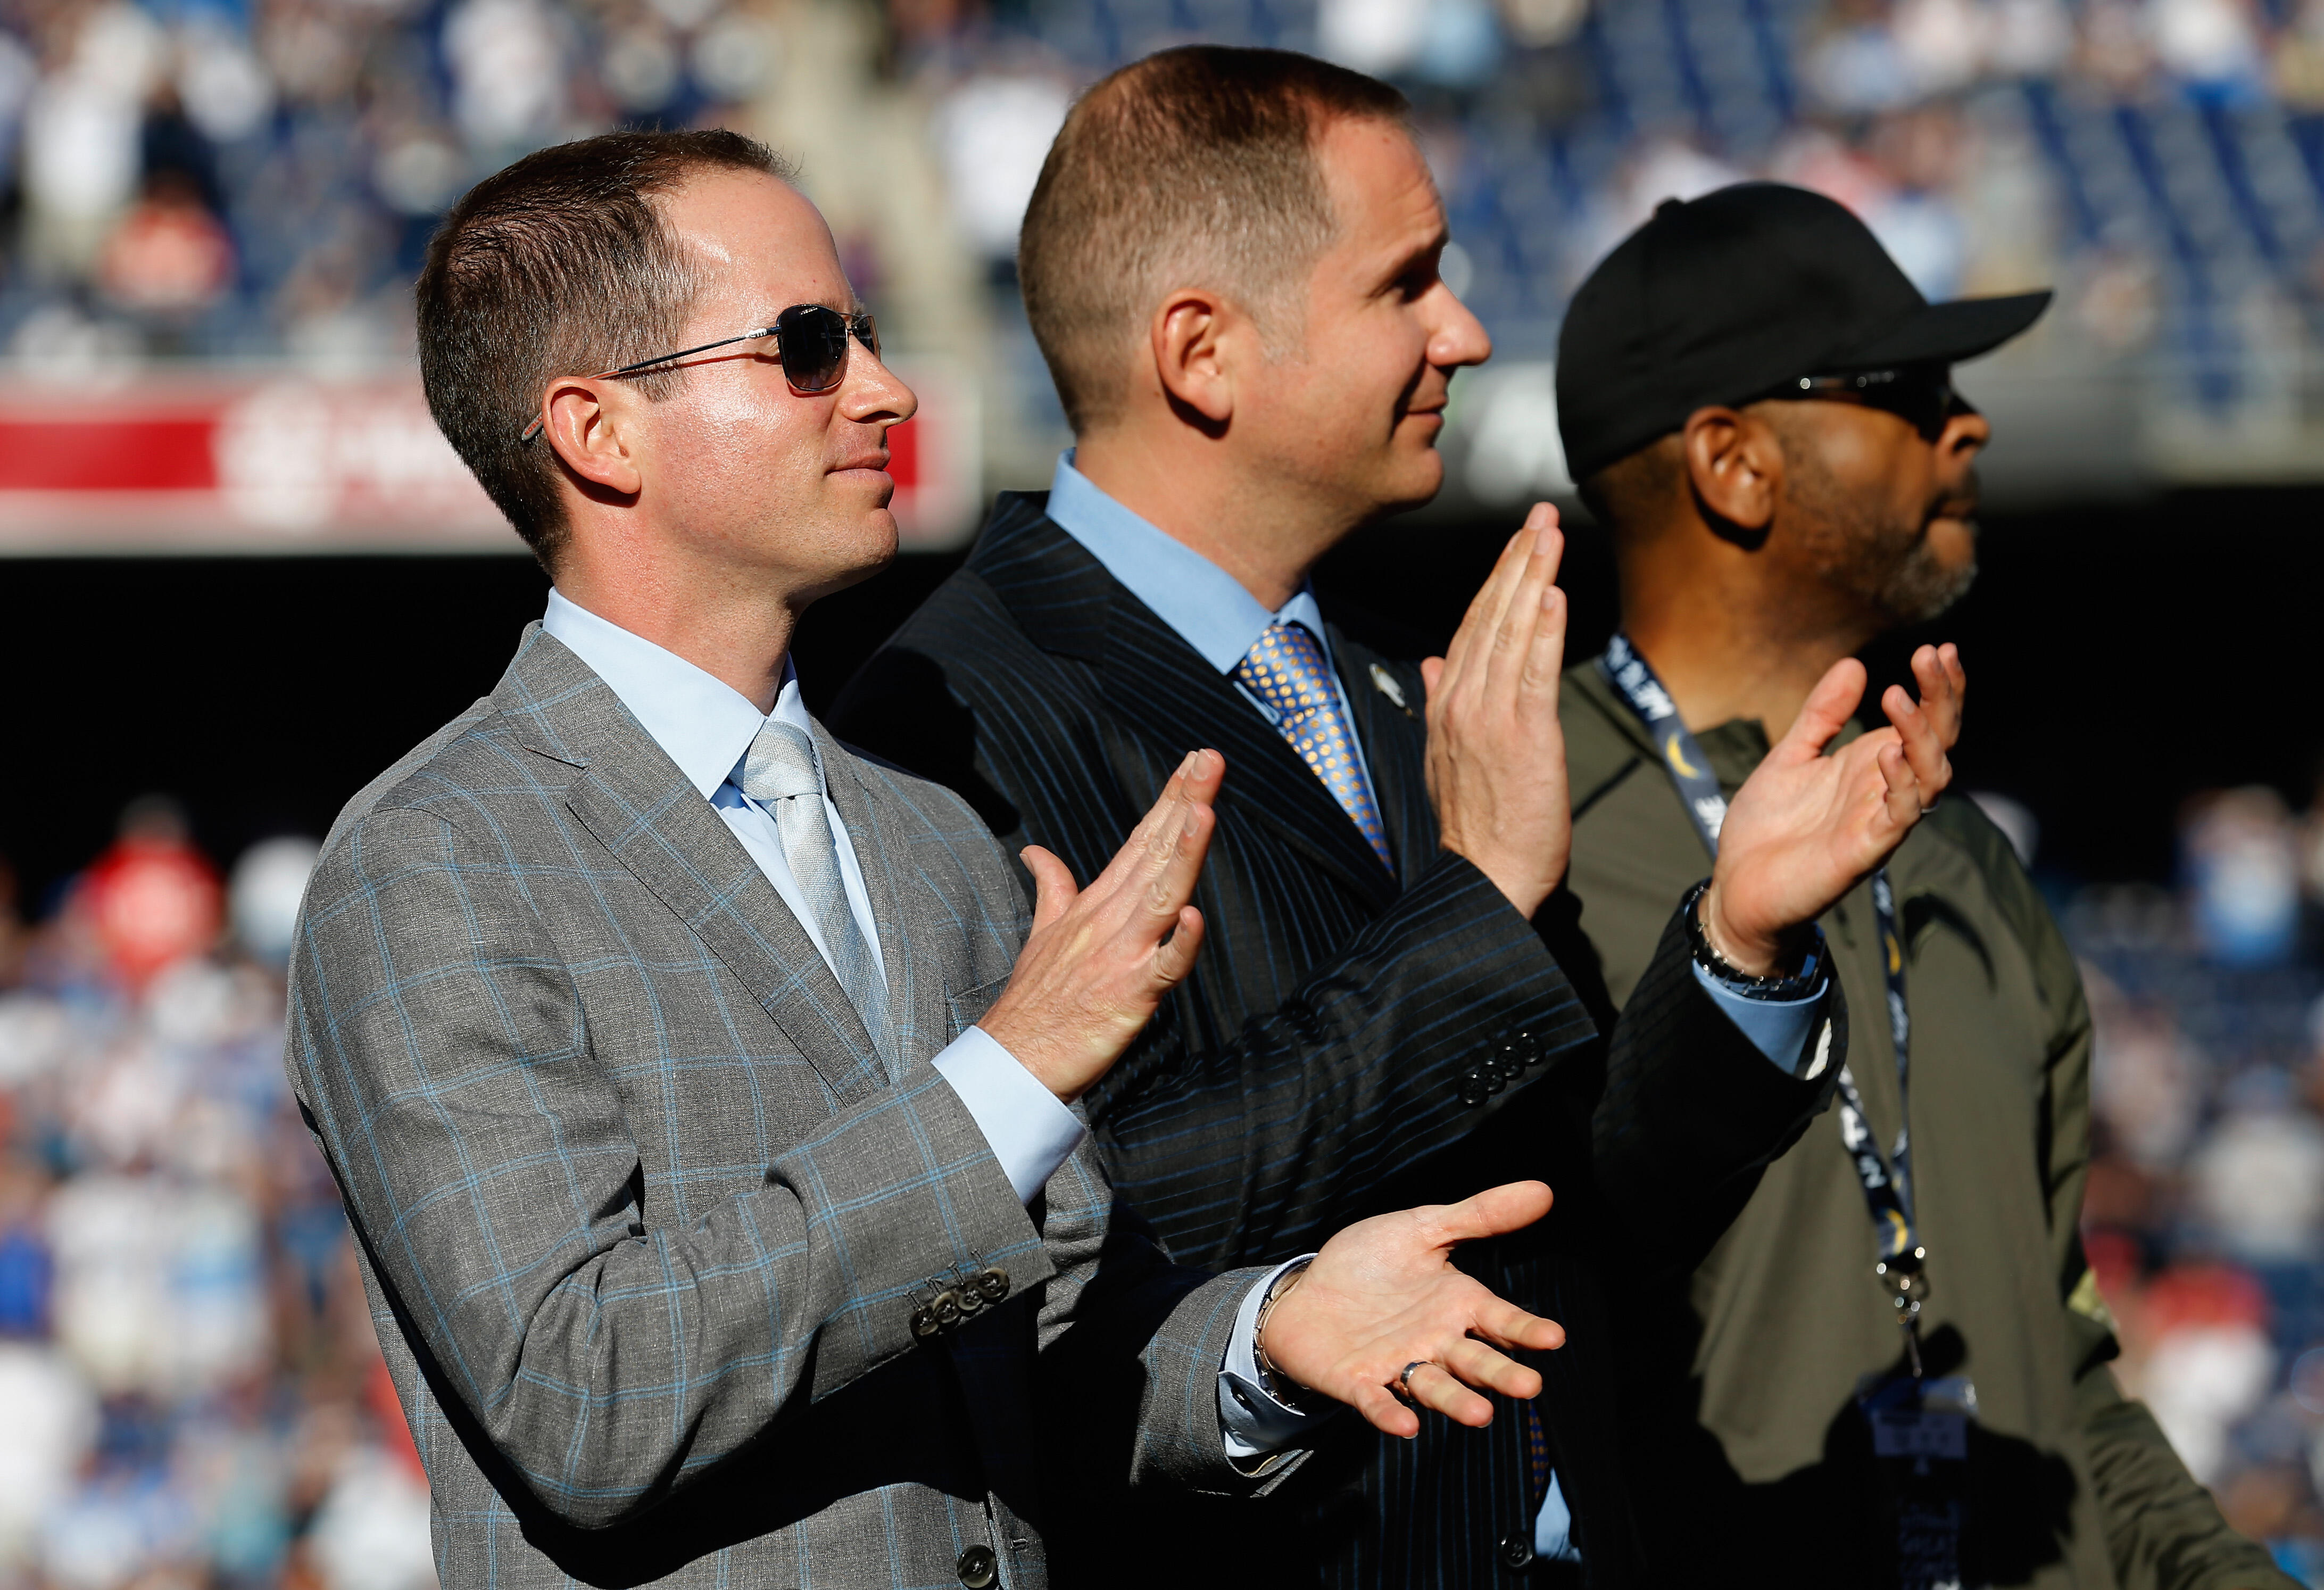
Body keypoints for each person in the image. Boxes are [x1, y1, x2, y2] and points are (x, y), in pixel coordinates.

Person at [283, 128, 1576, 1590]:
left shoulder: (929, 837)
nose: (886, 390)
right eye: (810, 345)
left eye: (872, 336)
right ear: (599, 432)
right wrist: (1007, 1079)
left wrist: (1265, 1335)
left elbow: (1048, 1356)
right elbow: (589, 1394)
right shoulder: (437, 860)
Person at [829, 49, 1962, 1587]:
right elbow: (1052, 1238)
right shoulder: (942, 720)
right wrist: (1478, 902)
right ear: (1203, 352)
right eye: (1407, 284)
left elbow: (1565, 1193)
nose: (1468, 333)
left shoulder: (1381, 679)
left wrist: (1741, 946)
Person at [1553, 182, 2297, 1590]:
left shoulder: (1969, 860)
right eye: (1909, 388)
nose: (1971, 423)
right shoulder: (1522, 829)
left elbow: (2057, 1372)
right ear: (1733, 462)